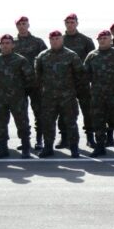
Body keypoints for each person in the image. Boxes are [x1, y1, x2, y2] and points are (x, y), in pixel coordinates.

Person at [35, 30, 85, 158]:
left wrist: (77, 93)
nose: (55, 41)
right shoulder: (43, 56)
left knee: (71, 123)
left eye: (57, 38)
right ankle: (48, 147)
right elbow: (38, 76)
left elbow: (79, 75)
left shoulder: (71, 55)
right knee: (48, 123)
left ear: (62, 39)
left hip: (67, 97)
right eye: (52, 39)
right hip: (49, 97)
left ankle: (74, 148)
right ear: (49, 40)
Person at [0, 34, 35, 159]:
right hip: (0, 99)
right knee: (0, 124)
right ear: (0, 45)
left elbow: (30, 78)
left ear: (13, 45)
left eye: (8, 43)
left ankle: (25, 148)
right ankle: (2, 149)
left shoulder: (20, 60)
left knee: (22, 123)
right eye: (3, 43)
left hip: (17, 98)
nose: (5, 45)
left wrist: (23, 92)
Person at [13, 16, 48, 150]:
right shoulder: (11, 42)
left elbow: (46, 60)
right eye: (19, 24)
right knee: (21, 114)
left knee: (39, 112)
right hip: (18, 85)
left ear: (28, 25)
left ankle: (40, 140)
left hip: (35, 84)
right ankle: (25, 140)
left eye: (24, 23)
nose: (22, 26)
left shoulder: (38, 42)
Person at [62, 13, 96, 148]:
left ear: (77, 23)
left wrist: (92, 80)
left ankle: (90, 137)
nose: (70, 24)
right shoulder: (60, 39)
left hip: (82, 82)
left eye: (72, 22)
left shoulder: (86, 40)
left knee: (87, 110)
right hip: (65, 82)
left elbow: (94, 60)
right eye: (68, 22)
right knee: (65, 111)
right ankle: (65, 138)